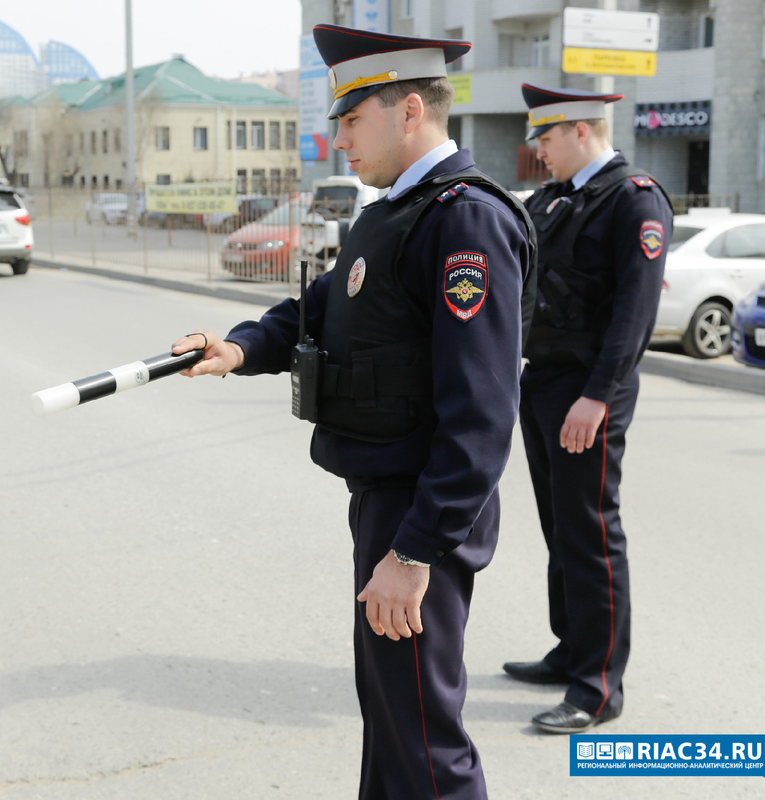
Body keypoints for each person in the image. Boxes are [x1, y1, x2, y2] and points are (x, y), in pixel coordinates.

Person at [171, 25, 535, 800]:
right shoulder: (395, 212)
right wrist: (237, 347)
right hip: (386, 498)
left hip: (420, 508)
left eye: (349, 119)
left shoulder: (464, 219)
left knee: (425, 738)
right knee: (392, 717)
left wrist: (413, 554)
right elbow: (321, 309)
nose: (337, 139)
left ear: (409, 111)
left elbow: (480, 412)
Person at [502, 84, 672, 734]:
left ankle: (598, 687)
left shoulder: (635, 202)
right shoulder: (551, 201)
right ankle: (569, 649)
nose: (538, 154)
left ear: (580, 130)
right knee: (558, 526)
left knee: (592, 533)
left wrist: (597, 397)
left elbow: (634, 313)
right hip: (543, 381)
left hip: (589, 391)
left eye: (544, 140)